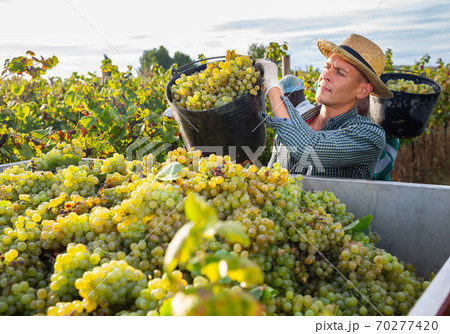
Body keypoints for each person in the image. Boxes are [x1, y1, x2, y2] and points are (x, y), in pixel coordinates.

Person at [256, 33, 393, 179]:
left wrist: (272, 85)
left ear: (363, 90)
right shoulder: (294, 123)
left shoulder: (369, 135)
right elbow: (269, 179)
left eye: (340, 73)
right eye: (326, 67)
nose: (326, 75)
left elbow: (308, 149)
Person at [357, 96, 400, 181]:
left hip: (378, 190)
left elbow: (381, 171)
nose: (354, 99)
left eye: (363, 96)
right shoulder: (333, 123)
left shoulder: (387, 131)